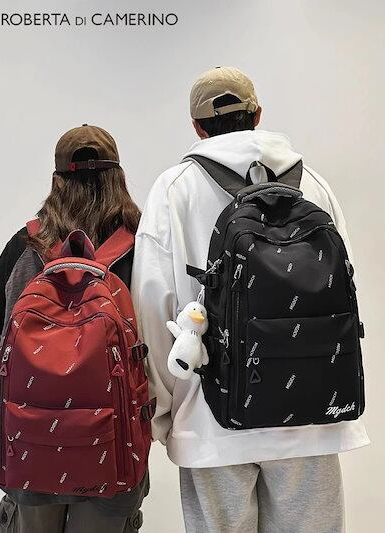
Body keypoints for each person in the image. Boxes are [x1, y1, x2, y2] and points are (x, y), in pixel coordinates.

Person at [131, 67, 370, 532]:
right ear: (258, 114)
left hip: (211, 418)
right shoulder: (313, 184)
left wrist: (165, 412)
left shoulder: (175, 190)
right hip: (312, 418)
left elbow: (153, 307)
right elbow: (345, 289)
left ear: (197, 126)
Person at [0, 124, 147, 533]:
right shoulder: (144, 246)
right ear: (118, 178)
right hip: (114, 446)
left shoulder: (25, 245)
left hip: (30, 442)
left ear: (57, 181)